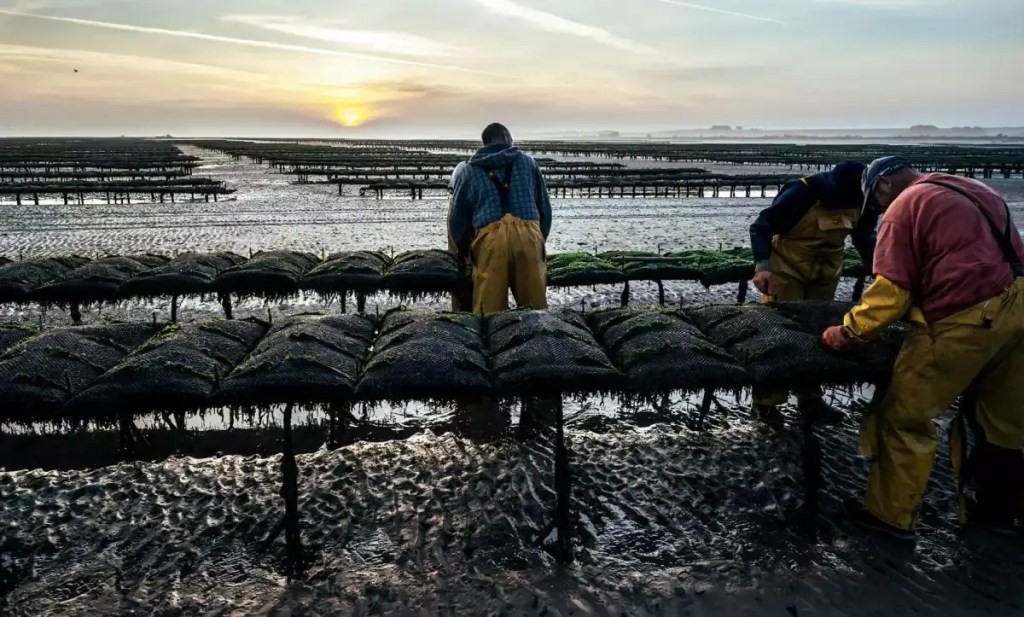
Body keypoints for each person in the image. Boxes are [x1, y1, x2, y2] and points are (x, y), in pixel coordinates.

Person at [822, 156, 1024, 540]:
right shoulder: (975, 188)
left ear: (883, 185)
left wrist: (849, 331)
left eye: (877, 203)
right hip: (1019, 310)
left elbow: (892, 292)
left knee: (905, 418)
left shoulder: (904, 207)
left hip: (963, 317)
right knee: (1003, 423)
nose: (880, 209)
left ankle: (888, 518)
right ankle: (999, 514)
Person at [749, 161, 877, 425]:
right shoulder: (802, 192)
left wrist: (878, 267)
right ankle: (765, 404)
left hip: (826, 269)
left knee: (820, 330)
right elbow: (761, 226)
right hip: (787, 267)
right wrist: (763, 267)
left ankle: (810, 398)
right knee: (779, 332)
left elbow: (864, 236)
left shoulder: (865, 198)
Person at [449, 123, 552, 313]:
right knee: (535, 309)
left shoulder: (469, 171)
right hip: (528, 236)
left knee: (489, 311)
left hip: (490, 240)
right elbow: (544, 207)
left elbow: (457, 219)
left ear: (485, 143)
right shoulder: (528, 163)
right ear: (506, 138)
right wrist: (539, 241)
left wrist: (465, 251)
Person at [447, 161, 471, 311]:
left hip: (456, 212)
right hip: (461, 214)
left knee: (457, 262)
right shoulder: (465, 169)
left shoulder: (461, 167)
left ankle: (459, 308)